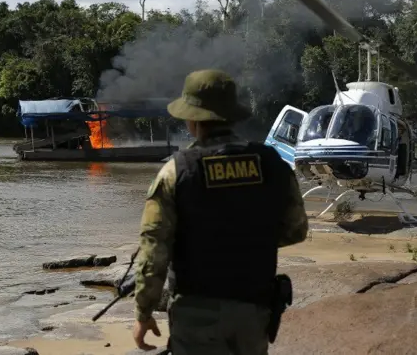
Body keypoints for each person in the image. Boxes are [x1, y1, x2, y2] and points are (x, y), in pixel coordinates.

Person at [132, 69, 309, 354]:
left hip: (196, 316)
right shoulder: (273, 163)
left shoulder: (176, 171)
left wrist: (143, 313)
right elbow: (296, 230)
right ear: (232, 115)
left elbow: (155, 250)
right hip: (254, 310)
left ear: (192, 120)